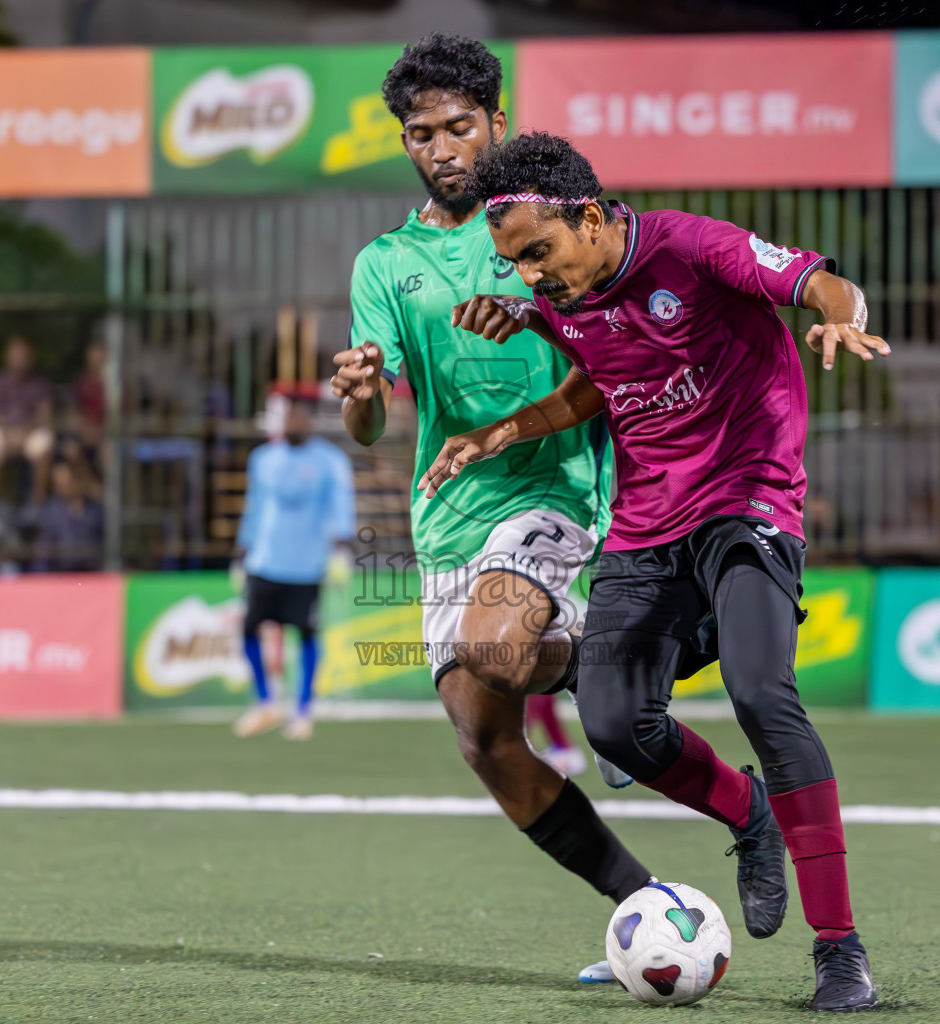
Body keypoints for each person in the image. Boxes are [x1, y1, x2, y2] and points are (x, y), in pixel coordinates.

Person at [434, 131, 885, 1011]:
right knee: (614, 725)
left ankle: (840, 950)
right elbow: (594, 383)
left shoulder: (694, 246)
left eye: (538, 253)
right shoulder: (563, 299)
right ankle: (748, 815)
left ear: (591, 217)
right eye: (512, 261)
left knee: (762, 694)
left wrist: (842, 314)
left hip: (747, 502)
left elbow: (817, 280)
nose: (528, 275)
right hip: (646, 528)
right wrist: (502, 431)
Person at [328, 35, 651, 987]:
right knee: (484, 738)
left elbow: (617, 339)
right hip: (445, 513)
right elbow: (367, 423)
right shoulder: (383, 263)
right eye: (419, 134)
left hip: (551, 482)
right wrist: (354, 388)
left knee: (498, 649)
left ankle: (611, 664)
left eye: (459, 127)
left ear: (496, 123)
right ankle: (646, 907)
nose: (441, 148)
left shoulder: (542, 221)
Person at [231, 382, 354, 742]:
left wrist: (342, 550)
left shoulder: (330, 461)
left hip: (307, 564)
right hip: (265, 561)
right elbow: (254, 510)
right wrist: (242, 551)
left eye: (297, 414)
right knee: (249, 629)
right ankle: (266, 701)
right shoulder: (262, 459)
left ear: (310, 420)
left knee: (306, 634)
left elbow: (341, 508)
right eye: (286, 414)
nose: (290, 420)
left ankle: (302, 710)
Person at [0, 335, 54, 505]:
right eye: (15, 356)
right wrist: (8, 434)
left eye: (23, 356)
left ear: (31, 357)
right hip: (4, 430)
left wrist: (25, 432)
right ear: (7, 357)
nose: (19, 360)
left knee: (44, 449)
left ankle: (37, 501)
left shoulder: (40, 383)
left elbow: (44, 416)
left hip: (31, 430)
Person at [32, 459, 104, 572]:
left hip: (94, 575)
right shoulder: (51, 511)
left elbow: (107, 546)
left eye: (66, 482)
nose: (62, 486)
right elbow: (43, 555)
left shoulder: (96, 510)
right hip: (62, 576)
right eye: (58, 483)